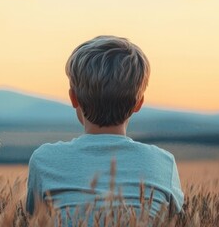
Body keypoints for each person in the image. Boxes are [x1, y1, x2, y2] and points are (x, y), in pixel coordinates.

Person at [25, 35, 184, 224]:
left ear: (73, 98)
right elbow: (177, 220)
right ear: (139, 103)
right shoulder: (163, 163)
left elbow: (33, 219)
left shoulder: (44, 160)